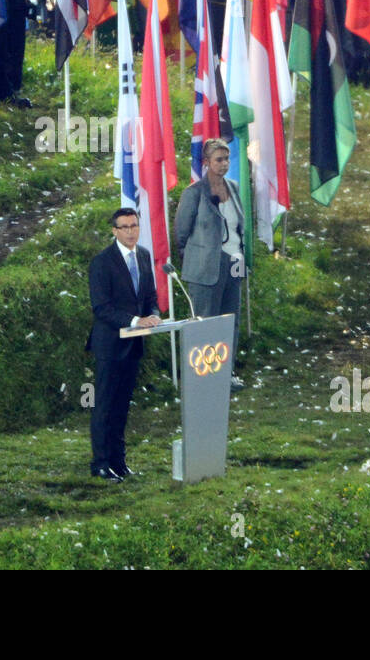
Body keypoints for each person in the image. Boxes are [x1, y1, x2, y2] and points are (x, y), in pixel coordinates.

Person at [86, 208, 159, 482]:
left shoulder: (143, 256)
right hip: (109, 345)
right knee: (104, 404)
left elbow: (149, 295)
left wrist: (153, 314)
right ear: (114, 231)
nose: (130, 231)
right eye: (124, 227)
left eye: (134, 225)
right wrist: (134, 319)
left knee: (122, 406)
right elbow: (101, 307)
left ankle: (119, 461)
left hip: (133, 345)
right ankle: (101, 463)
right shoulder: (102, 262)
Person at [173, 139, 246, 388]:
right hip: (205, 267)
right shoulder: (194, 192)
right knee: (206, 322)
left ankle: (226, 372)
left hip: (234, 262)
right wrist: (198, 258)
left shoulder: (234, 188)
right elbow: (182, 233)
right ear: (206, 163)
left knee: (230, 320)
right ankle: (204, 376)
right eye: (219, 160)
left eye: (226, 159)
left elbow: (240, 226)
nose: (224, 164)